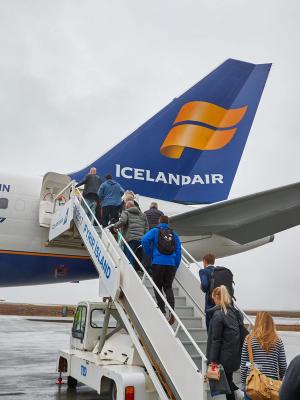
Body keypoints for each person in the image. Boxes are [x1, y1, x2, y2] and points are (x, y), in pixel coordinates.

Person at [142, 215, 181, 325]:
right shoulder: (174, 234)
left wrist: (151, 253)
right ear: (168, 223)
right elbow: (179, 251)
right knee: (168, 286)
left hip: (158, 262)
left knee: (157, 286)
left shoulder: (155, 231)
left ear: (159, 222)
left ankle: (162, 309)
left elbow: (144, 240)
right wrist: (175, 264)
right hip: (171, 264)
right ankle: (171, 312)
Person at [206, 285, 243, 400]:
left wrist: (213, 361)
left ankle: (240, 394)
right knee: (229, 383)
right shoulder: (234, 313)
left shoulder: (218, 315)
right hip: (233, 356)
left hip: (223, 358)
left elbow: (216, 340)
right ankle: (239, 393)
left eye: (214, 299)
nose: (213, 301)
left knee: (228, 388)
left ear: (217, 298)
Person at [240, 311, 287, 399]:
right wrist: (280, 381)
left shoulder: (249, 340)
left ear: (257, 323)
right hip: (271, 384)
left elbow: (244, 365)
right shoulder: (277, 340)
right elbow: (283, 366)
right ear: (271, 323)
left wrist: (243, 383)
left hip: (253, 383)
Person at [114, 200, 149, 267]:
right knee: (137, 256)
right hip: (141, 240)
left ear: (127, 207)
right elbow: (146, 228)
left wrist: (115, 226)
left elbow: (122, 221)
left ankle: (130, 272)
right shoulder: (143, 215)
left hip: (130, 238)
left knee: (128, 257)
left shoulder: (126, 212)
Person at [199, 253, 216, 329]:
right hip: (220, 303)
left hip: (210, 304)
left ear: (205, 261)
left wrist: (202, 287)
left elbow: (205, 285)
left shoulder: (204, 271)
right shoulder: (219, 271)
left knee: (210, 329)